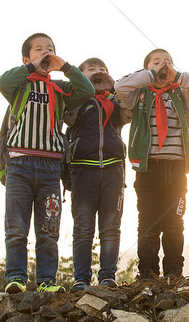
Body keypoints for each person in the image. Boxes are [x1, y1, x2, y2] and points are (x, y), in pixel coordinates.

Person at [0, 33, 95, 293]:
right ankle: (16, 278)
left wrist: (63, 66)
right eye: (38, 49)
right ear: (26, 58)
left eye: (49, 49)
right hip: (20, 165)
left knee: (48, 229)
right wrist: (31, 67)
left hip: (51, 168)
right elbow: (1, 81)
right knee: (16, 227)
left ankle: (46, 281)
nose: (45, 52)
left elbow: (87, 90)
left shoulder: (60, 89)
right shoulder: (19, 86)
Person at [115, 49, 189, 280]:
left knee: (174, 222)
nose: (163, 65)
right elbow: (120, 87)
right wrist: (149, 76)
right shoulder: (138, 97)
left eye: (168, 62)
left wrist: (177, 76)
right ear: (146, 69)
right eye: (156, 62)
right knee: (148, 221)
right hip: (148, 169)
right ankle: (148, 270)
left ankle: (173, 270)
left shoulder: (181, 96)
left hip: (177, 168)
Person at [64, 58, 131, 291]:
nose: (98, 72)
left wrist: (114, 87)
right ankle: (81, 278)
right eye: (91, 70)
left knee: (111, 227)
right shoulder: (76, 101)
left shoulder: (115, 101)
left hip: (114, 170)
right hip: (82, 169)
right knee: (83, 228)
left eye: (102, 69)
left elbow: (130, 112)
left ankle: (107, 276)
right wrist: (84, 90)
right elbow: (67, 118)